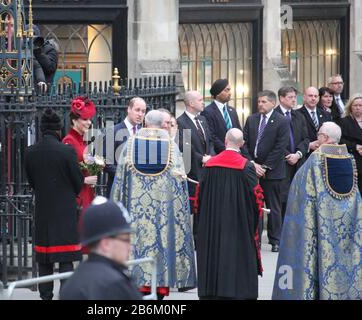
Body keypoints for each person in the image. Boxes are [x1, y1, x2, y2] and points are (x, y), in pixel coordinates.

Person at [110, 110, 197, 299]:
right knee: (160, 247)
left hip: (136, 215)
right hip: (162, 215)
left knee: (136, 248)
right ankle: (159, 290)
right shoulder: (172, 147)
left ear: (146, 124)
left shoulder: (130, 144)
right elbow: (179, 182)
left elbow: (120, 181)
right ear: (163, 124)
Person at [272, 122, 362, 300]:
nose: (317, 137)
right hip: (345, 227)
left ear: (325, 138)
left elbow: (300, 191)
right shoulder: (349, 159)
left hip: (320, 225)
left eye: (319, 134)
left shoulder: (316, 160)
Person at [25, 108, 84, 300]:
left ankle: (46, 295)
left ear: (42, 130)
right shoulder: (67, 151)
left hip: (43, 209)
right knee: (65, 256)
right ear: (59, 129)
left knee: (45, 258)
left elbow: (31, 182)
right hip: (65, 210)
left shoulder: (30, 152)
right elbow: (78, 182)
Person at [197, 129, 263, 300]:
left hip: (212, 223)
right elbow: (257, 198)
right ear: (241, 144)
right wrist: (255, 221)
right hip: (238, 223)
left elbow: (199, 195)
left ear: (225, 141)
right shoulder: (246, 166)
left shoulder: (210, 164)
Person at [59, 196, 143, 300]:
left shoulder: (72, 282)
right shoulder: (116, 285)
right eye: (126, 240)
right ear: (106, 244)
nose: (131, 248)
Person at [243, 90, 289, 252]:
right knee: (253, 205)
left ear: (272, 103)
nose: (260, 104)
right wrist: (252, 164)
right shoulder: (251, 119)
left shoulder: (281, 121)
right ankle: (253, 238)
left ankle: (275, 240)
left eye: (264, 102)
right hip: (252, 169)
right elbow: (244, 143)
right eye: (259, 101)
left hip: (272, 172)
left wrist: (264, 167)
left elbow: (280, 147)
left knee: (273, 207)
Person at [177, 91, 215, 247]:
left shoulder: (203, 119)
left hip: (207, 168)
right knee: (194, 206)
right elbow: (186, 145)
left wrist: (211, 156)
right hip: (193, 170)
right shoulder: (181, 122)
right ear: (191, 103)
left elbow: (210, 141)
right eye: (200, 100)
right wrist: (201, 158)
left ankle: (202, 238)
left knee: (204, 206)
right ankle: (193, 239)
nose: (203, 102)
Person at [274, 86, 309, 220]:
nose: (294, 100)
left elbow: (305, 139)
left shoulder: (298, 116)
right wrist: (288, 155)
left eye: (295, 97)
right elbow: (274, 140)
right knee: (282, 200)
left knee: (297, 198)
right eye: (290, 97)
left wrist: (298, 154)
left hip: (298, 163)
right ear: (281, 98)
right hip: (282, 164)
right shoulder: (274, 115)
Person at [103, 97, 147, 197]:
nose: (140, 114)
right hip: (117, 188)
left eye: (143, 111)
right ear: (129, 109)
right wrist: (125, 174)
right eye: (137, 110)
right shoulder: (113, 131)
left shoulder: (144, 132)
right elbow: (105, 162)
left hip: (138, 191)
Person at [62, 96, 97, 213]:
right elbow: (65, 172)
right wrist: (84, 180)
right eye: (85, 119)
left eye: (89, 119)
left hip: (87, 192)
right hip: (78, 194)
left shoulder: (82, 140)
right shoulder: (69, 141)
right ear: (74, 121)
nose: (89, 123)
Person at [201, 79, 242, 154]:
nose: (230, 93)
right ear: (218, 93)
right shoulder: (208, 111)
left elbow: (238, 131)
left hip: (236, 154)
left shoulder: (232, 111)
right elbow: (211, 136)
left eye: (230, 90)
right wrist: (228, 151)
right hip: (220, 154)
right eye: (227, 90)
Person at [337, 94, 362, 194]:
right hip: (353, 160)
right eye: (355, 105)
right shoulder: (344, 122)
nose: (358, 108)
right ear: (350, 107)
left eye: (360, 105)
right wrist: (355, 146)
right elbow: (340, 140)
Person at [298, 87, 332, 158]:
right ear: (304, 97)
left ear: (318, 98)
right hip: (305, 156)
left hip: (323, 155)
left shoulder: (326, 114)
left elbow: (330, 133)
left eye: (315, 96)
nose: (313, 98)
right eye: (310, 96)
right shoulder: (297, 114)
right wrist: (308, 145)